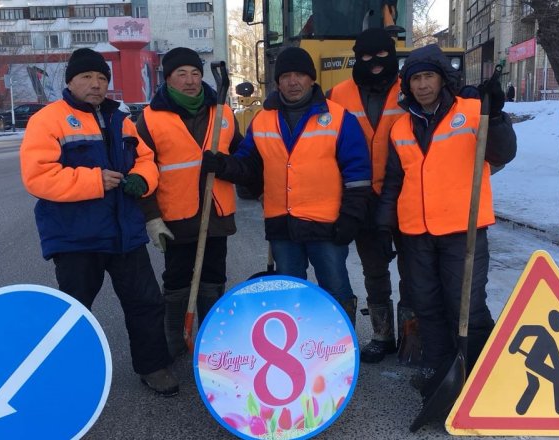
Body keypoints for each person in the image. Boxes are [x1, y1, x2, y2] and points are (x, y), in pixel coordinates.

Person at [20, 48, 178, 397]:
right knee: (74, 311)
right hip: (76, 237)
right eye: (87, 77)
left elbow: (146, 160)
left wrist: (142, 179)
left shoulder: (121, 119)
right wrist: (93, 181)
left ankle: (153, 367)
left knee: (146, 303)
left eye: (102, 78)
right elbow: (38, 177)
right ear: (70, 81)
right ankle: (66, 376)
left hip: (125, 233)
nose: (96, 84)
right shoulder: (48, 120)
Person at [376, 44, 517, 397]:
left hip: (462, 231)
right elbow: (394, 181)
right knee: (427, 306)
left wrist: (495, 117)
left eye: (429, 77)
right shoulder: (400, 127)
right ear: (407, 85)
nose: (422, 85)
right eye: (416, 79)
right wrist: (383, 225)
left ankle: (484, 378)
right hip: (416, 233)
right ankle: (441, 378)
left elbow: (503, 152)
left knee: (466, 306)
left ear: (442, 79)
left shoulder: (472, 111)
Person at [203, 47, 372, 324]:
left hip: (327, 226)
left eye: (299, 75)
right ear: (278, 82)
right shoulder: (263, 119)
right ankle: (299, 347)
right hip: (282, 226)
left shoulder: (340, 118)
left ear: (311, 79)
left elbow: (358, 174)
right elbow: (249, 166)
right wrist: (223, 165)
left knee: (336, 291)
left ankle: (342, 344)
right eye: (286, 76)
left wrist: (351, 217)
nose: (293, 82)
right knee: (289, 295)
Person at [134, 47, 243, 358]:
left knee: (213, 278)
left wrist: (225, 166)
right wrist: (152, 217)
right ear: (168, 79)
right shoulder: (150, 119)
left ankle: (211, 339)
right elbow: (142, 168)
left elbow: (244, 160)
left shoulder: (222, 113)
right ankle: (175, 338)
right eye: (181, 74)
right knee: (177, 280)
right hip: (176, 217)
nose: (190, 80)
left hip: (216, 214)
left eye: (195, 73)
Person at [326, 28, 411, 364]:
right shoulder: (337, 94)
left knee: (412, 269)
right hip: (362, 195)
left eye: (382, 55)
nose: (374, 63)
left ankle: (412, 337)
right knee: (374, 270)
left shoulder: (411, 87)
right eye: (365, 57)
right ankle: (382, 335)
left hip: (407, 194)